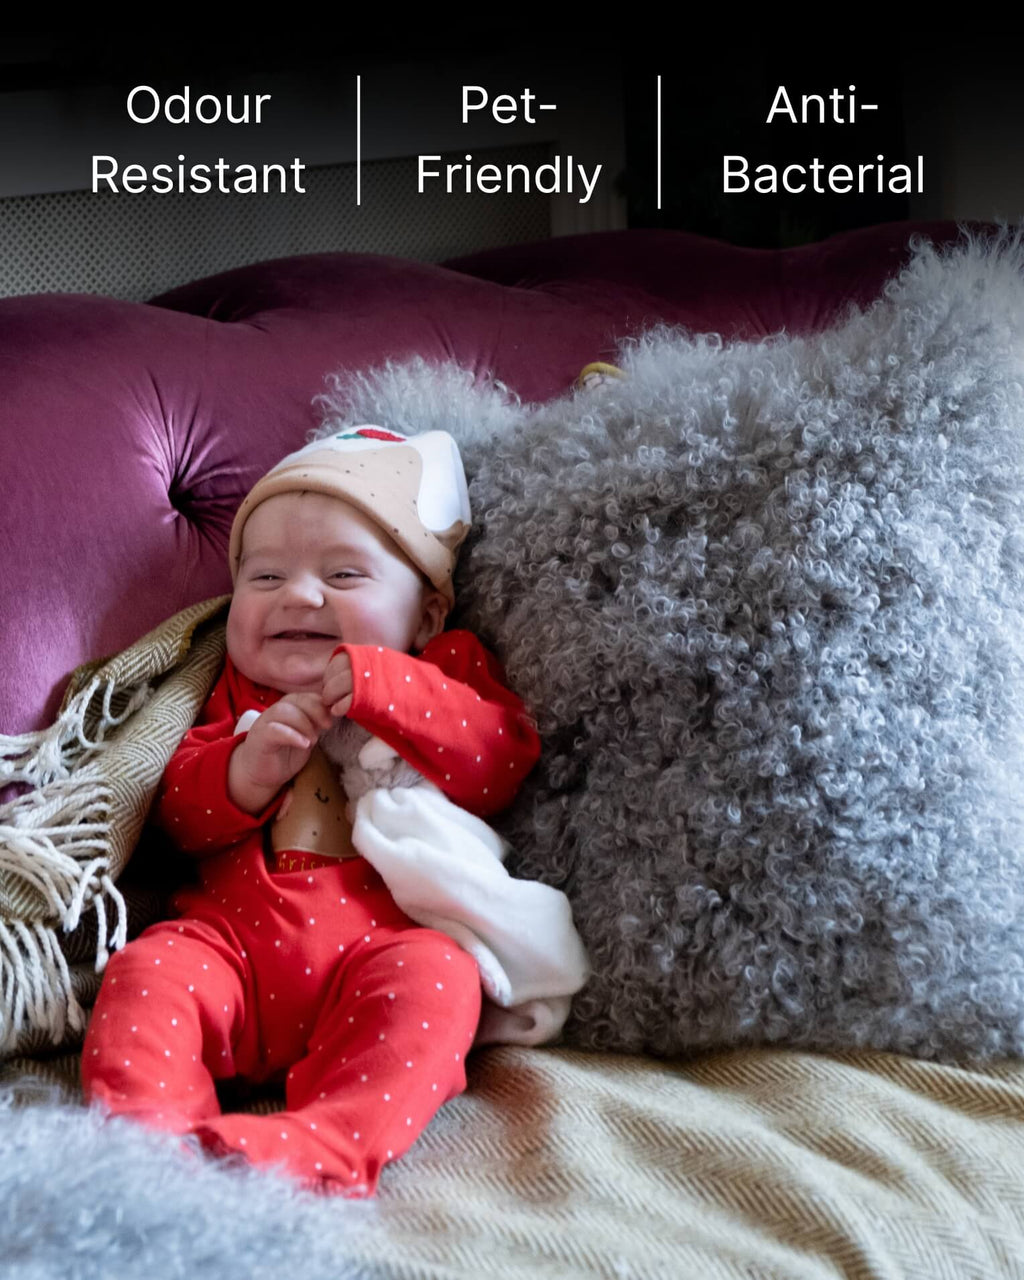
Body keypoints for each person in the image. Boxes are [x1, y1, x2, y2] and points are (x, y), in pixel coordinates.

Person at [81, 425, 587, 1196]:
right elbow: (174, 813)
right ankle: (145, 1148)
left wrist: (391, 689)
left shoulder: (442, 667)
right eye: (265, 576)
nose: (299, 595)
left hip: (379, 946)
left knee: (440, 984)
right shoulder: (230, 692)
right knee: (149, 971)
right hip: (231, 945)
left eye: (344, 574)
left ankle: (324, 1146)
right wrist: (243, 770)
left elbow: (499, 761)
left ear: (426, 615)